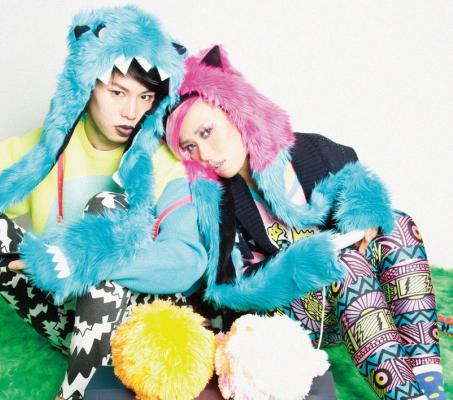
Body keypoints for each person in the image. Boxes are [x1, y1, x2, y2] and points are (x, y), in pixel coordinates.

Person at [0, 6, 208, 399]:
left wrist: (82, 256)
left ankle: (78, 394)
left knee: (107, 209)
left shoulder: (164, 161)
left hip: (133, 330)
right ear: (87, 84)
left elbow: (188, 260)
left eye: (145, 97)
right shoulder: (43, 149)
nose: (131, 112)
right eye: (117, 92)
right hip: (60, 317)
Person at [164, 45, 446, 400]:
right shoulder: (216, 201)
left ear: (235, 111)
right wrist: (304, 263)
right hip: (286, 321)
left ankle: (429, 384)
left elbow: (357, 182)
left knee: (398, 223)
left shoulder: (311, 150)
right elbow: (231, 290)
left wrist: (364, 214)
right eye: (189, 146)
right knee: (343, 262)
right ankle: (405, 394)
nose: (204, 154)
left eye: (206, 132)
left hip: (356, 304)